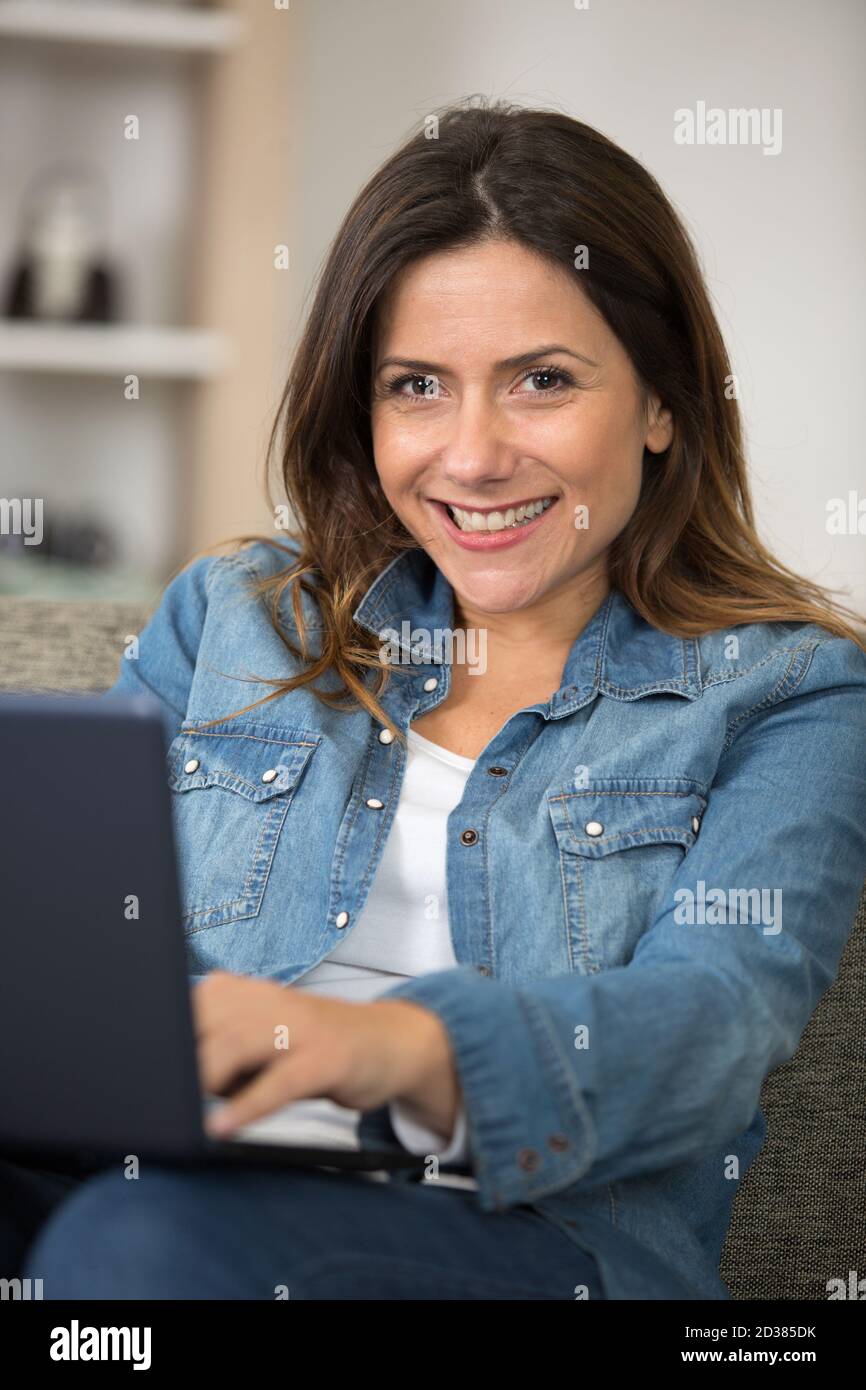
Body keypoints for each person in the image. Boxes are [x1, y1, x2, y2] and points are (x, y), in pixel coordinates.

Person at [10, 98, 866, 1301]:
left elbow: (710, 1025)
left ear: (664, 402)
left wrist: (393, 1045)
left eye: (540, 381)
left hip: (529, 1243)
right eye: (416, 385)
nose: (470, 455)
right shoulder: (235, 615)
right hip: (153, 1172)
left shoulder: (787, 691)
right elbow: (85, 944)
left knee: (141, 1253)